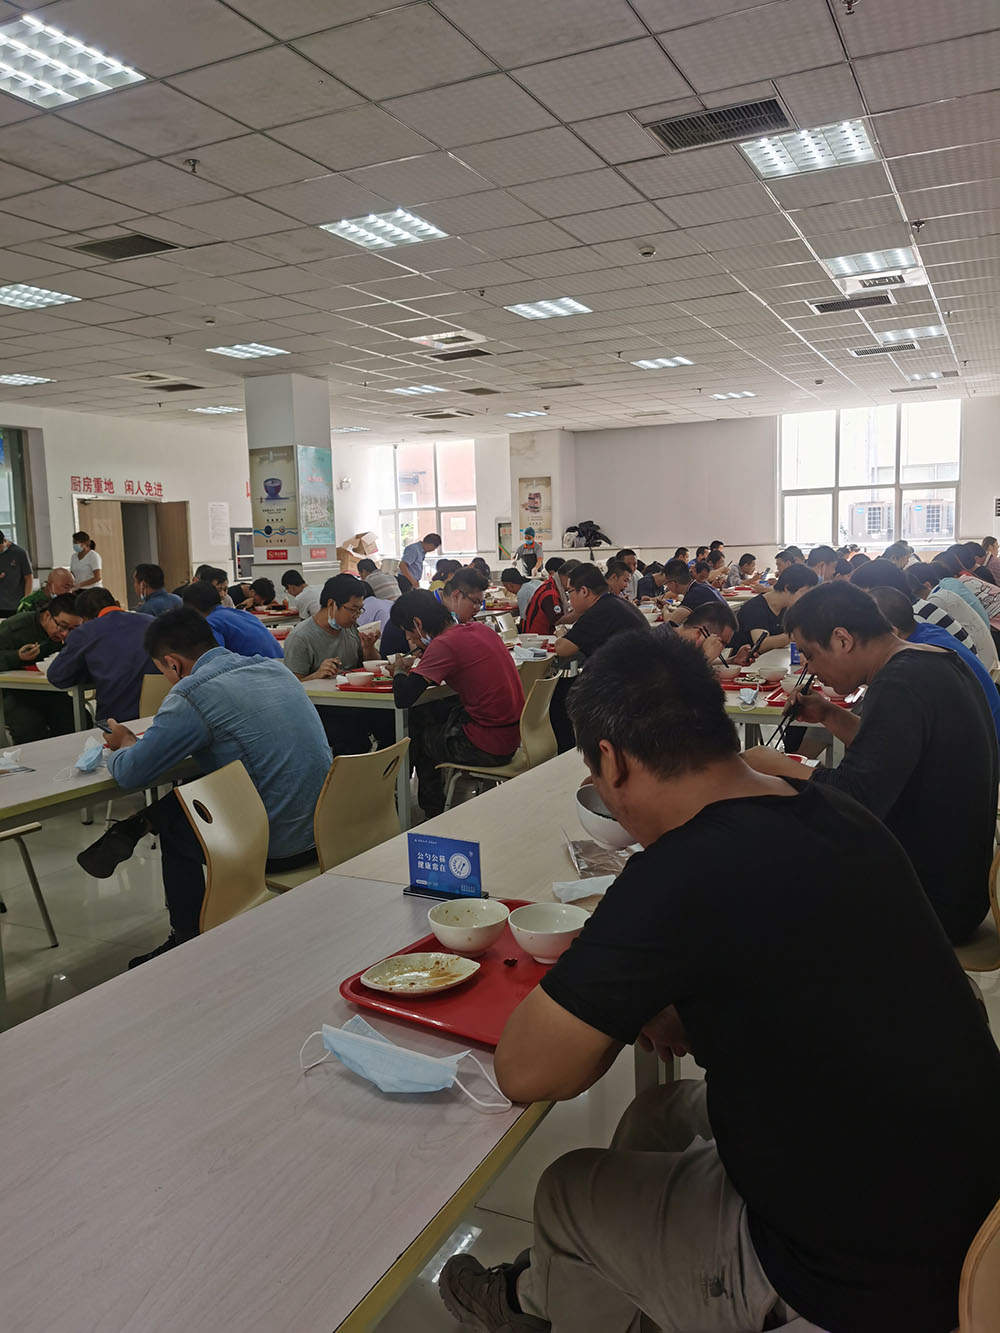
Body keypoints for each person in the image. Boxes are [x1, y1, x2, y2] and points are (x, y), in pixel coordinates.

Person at [439, 629, 1000, 1333]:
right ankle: (611, 1285)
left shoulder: (678, 873)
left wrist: (627, 993)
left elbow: (527, 1071)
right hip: (965, 1196)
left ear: (611, 759)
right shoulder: (832, 811)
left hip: (858, 1278)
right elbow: (795, 963)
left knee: (565, 1191)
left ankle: (543, 1298)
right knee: (659, 1115)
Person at [744, 583, 999, 943]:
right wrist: (829, 714)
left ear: (842, 639)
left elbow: (855, 798)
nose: (810, 669)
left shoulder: (898, 682)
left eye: (810, 655)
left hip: (929, 904)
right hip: (961, 889)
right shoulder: (933, 659)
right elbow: (893, 750)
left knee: (760, 883)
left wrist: (776, 764)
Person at [81, 609, 331, 966]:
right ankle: (136, 826)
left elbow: (131, 774)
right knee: (203, 787)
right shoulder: (274, 668)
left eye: (164, 671)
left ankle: (185, 942)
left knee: (177, 830)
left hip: (276, 847)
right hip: (325, 832)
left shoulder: (193, 693)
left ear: (173, 663)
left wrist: (124, 743)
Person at [389, 590, 524, 818]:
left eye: (408, 632)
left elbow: (404, 697)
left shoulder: (444, 644)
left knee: (420, 738)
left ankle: (430, 812)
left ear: (418, 623)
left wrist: (399, 669)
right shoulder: (480, 629)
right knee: (431, 712)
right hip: (513, 736)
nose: (410, 639)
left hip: (488, 745)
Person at [868, 585, 1000, 745]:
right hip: (988, 726)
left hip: (986, 742)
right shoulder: (928, 630)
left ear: (892, 632)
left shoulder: (918, 659)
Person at [283, 573, 386, 753]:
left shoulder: (351, 629)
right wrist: (316, 675)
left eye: (360, 610)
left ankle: (387, 767)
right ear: (332, 604)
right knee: (351, 732)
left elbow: (370, 669)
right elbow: (290, 687)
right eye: (353, 610)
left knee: (390, 720)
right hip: (324, 710)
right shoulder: (301, 637)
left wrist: (368, 648)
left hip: (358, 702)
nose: (356, 616)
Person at [46, 587, 157, 722]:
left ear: (84, 619)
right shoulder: (153, 622)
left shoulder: (85, 633)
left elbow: (57, 676)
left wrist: (92, 672)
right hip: (160, 713)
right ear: (115, 603)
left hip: (116, 721)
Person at [0, 594, 82, 740]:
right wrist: (17, 656)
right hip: (12, 694)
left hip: (51, 691)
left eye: (73, 629)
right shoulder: (15, 627)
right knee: (30, 725)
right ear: (47, 615)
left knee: (77, 719)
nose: (65, 633)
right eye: (62, 626)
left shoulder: (70, 636)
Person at [906, 561, 997, 666]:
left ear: (927, 585)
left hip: (982, 660)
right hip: (989, 647)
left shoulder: (935, 601)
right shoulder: (948, 584)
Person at [728, 564, 819, 656]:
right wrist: (796, 635)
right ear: (787, 588)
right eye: (804, 593)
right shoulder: (755, 608)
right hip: (748, 662)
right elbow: (761, 645)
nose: (806, 599)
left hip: (772, 659)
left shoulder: (787, 606)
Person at [180, 582, 283, 659]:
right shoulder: (242, 614)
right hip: (281, 667)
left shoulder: (212, 622)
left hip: (262, 672)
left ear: (193, 609)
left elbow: (213, 659)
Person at [522, 560, 579, 636]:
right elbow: (558, 621)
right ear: (569, 577)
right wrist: (581, 611)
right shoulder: (550, 593)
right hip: (537, 638)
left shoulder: (551, 584)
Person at [0, 528, 33, 617]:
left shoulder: (19, 553)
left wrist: (27, 600)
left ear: (4, 541)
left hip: (15, 605)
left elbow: (29, 577)